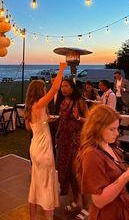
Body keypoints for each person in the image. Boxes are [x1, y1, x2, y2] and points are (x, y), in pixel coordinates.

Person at [77, 104, 129, 220]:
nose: (117, 133)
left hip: (121, 210)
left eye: (117, 128)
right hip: (107, 214)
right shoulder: (92, 155)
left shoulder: (111, 147)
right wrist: (125, 177)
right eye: (112, 129)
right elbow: (98, 201)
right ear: (97, 128)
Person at [25, 62, 67, 220]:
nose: (45, 90)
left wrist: (46, 121)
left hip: (34, 147)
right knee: (47, 184)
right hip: (43, 149)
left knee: (36, 183)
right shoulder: (39, 104)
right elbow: (55, 89)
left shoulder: (31, 107)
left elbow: (30, 127)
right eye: (43, 88)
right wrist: (62, 69)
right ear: (39, 91)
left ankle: (32, 218)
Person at [56, 78, 88, 213]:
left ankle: (86, 207)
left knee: (78, 174)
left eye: (66, 86)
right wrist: (57, 137)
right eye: (62, 86)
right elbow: (62, 122)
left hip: (75, 142)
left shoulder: (79, 102)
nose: (63, 88)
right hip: (64, 142)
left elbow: (89, 120)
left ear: (72, 88)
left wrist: (78, 118)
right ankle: (76, 201)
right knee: (68, 174)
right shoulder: (62, 102)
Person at [47, 73, 64, 159]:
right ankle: (52, 158)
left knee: (61, 142)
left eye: (55, 81)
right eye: (52, 81)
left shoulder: (63, 93)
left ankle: (61, 159)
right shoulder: (48, 92)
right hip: (50, 121)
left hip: (60, 121)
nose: (53, 82)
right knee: (51, 142)